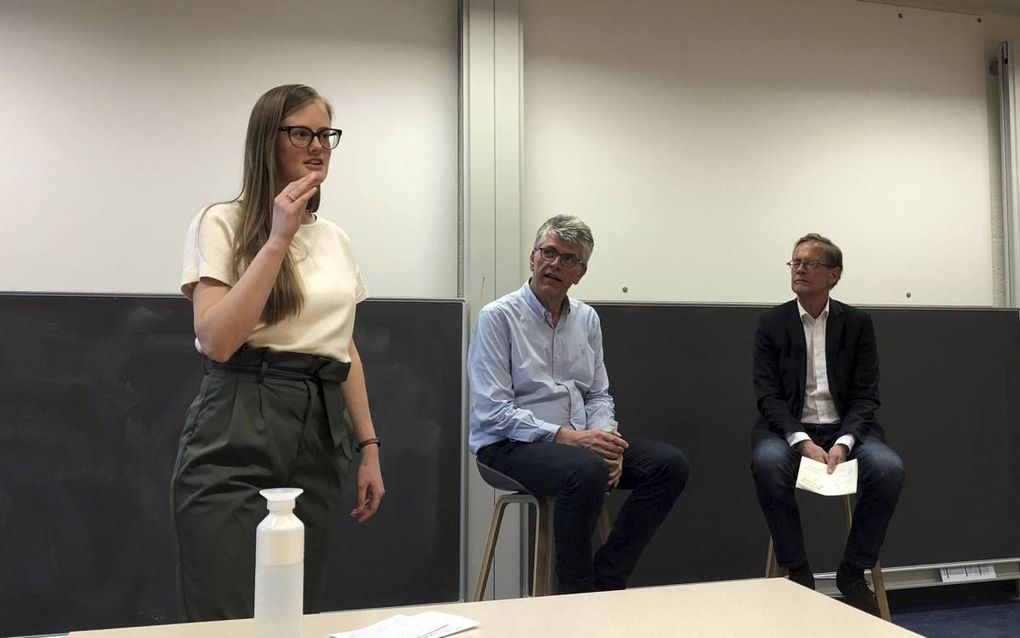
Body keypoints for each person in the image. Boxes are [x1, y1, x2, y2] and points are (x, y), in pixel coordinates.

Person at [171, 84, 385, 621]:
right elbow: (217, 340)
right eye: (301, 133)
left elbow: (344, 346)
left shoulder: (337, 239)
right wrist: (277, 238)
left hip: (319, 424)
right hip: (241, 410)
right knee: (227, 609)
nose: (317, 146)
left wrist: (370, 448)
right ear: (267, 140)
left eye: (325, 135)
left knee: (293, 609)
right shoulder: (221, 221)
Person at [468, 215, 689, 594]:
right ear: (532, 258)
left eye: (568, 259)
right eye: (548, 253)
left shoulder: (586, 319)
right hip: (506, 447)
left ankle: (607, 576)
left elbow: (597, 394)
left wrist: (608, 440)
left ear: (580, 273)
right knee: (584, 470)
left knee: (668, 466)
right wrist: (570, 439)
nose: (555, 264)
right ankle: (574, 595)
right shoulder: (498, 317)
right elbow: (494, 412)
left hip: (581, 446)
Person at [750, 233, 905, 615]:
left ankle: (852, 570)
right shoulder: (771, 323)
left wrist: (845, 442)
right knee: (768, 463)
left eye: (810, 263)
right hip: (788, 429)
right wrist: (801, 442)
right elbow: (768, 396)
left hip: (847, 430)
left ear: (833, 275)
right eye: (795, 263)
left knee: (888, 468)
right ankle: (797, 570)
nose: (799, 269)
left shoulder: (857, 324)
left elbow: (867, 395)